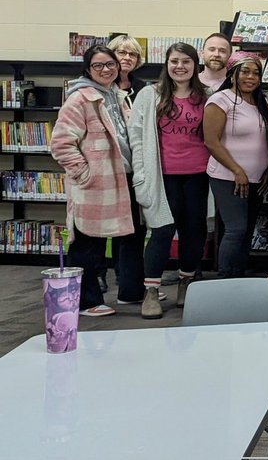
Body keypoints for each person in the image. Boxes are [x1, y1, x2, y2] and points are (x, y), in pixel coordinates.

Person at [50, 45, 144, 317]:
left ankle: (125, 292)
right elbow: (61, 144)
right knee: (87, 242)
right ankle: (85, 301)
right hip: (95, 182)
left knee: (120, 237)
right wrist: (83, 173)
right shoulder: (80, 99)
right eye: (98, 66)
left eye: (110, 64)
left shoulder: (118, 95)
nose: (106, 70)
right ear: (88, 69)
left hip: (121, 177)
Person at [129, 42, 209, 318]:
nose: (180, 67)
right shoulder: (150, 95)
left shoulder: (206, 96)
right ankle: (151, 291)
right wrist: (140, 174)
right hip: (162, 176)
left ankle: (186, 282)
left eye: (186, 62)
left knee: (194, 232)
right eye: (174, 61)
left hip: (198, 175)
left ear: (195, 66)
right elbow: (137, 137)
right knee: (162, 231)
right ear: (166, 64)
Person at [204, 51, 268, 280]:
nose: (250, 77)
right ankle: (224, 280)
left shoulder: (259, 103)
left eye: (256, 73)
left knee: (245, 232)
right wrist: (237, 170)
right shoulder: (220, 99)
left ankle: (238, 279)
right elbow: (211, 141)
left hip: (255, 179)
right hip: (228, 176)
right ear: (233, 73)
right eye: (245, 71)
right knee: (235, 229)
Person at [108, 34, 146, 101]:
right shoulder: (103, 84)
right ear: (110, 55)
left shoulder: (141, 86)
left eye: (132, 54)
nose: (127, 58)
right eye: (122, 52)